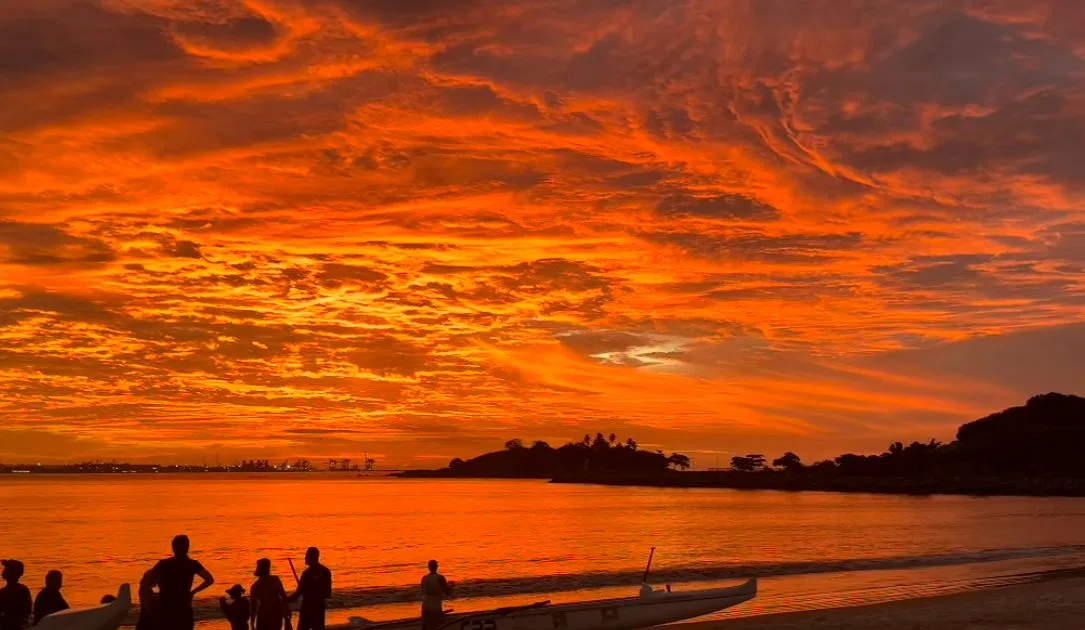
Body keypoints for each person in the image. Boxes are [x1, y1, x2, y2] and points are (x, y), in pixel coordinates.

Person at [146, 535, 215, 630]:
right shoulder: (193, 564)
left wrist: (156, 591)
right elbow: (209, 579)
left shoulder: (163, 564)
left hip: (166, 609)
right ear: (187, 547)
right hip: (184, 608)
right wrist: (193, 592)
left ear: (173, 547)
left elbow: (148, 582)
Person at [287, 548, 331, 630]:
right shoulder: (326, 571)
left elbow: (298, 593)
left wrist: (285, 600)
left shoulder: (307, 573)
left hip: (307, 608)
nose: (305, 557)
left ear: (314, 557)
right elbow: (328, 593)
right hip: (319, 608)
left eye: (307, 556)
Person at [250, 559, 288, 630]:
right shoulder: (275, 580)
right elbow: (284, 597)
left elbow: (253, 607)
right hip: (276, 614)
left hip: (264, 615)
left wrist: (252, 623)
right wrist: (287, 613)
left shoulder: (255, 586)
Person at [0, 560, 32, 630]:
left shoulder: (6, 591)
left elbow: (25, 612)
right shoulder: (23, 589)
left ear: (12, 573)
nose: (3, 571)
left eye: (6, 568)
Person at [420, 560, 451, 630]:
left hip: (425, 605)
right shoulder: (440, 577)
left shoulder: (424, 578)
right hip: (435, 606)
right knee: (438, 626)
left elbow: (422, 591)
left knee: (425, 626)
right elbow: (447, 592)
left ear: (428, 567)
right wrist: (451, 586)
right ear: (437, 567)